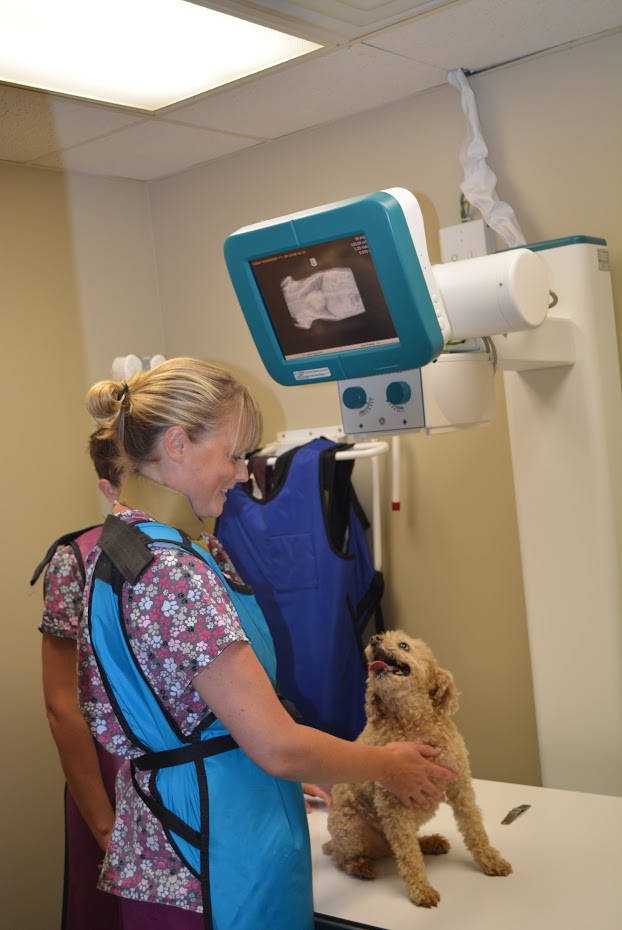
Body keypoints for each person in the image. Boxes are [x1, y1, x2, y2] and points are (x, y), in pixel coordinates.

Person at [78, 357, 456, 930]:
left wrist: (256, 760)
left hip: (165, 848)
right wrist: (384, 765)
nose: (240, 473)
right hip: (215, 853)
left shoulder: (122, 547)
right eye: (233, 455)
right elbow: (277, 745)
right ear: (177, 443)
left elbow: (189, 713)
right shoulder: (175, 570)